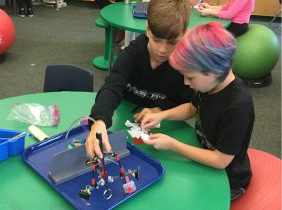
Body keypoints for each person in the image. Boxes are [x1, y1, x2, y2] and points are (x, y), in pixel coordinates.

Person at [141, 22, 255, 201]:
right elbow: (190, 108)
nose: (186, 83)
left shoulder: (237, 106)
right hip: (203, 157)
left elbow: (220, 160)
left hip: (228, 179)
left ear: (213, 72)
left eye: (190, 77)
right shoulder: (209, 86)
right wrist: (161, 115)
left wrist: (172, 145)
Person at [86, 0, 193, 158]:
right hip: (124, 120)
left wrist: (160, 109)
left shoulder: (186, 65)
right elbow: (112, 87)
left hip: (165, 132)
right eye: (157, 40)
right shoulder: (131, 55)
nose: (163, 50)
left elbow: (188, 102)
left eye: (172, 42)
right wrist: (99, 121)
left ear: (184, 33)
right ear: (148, 29)